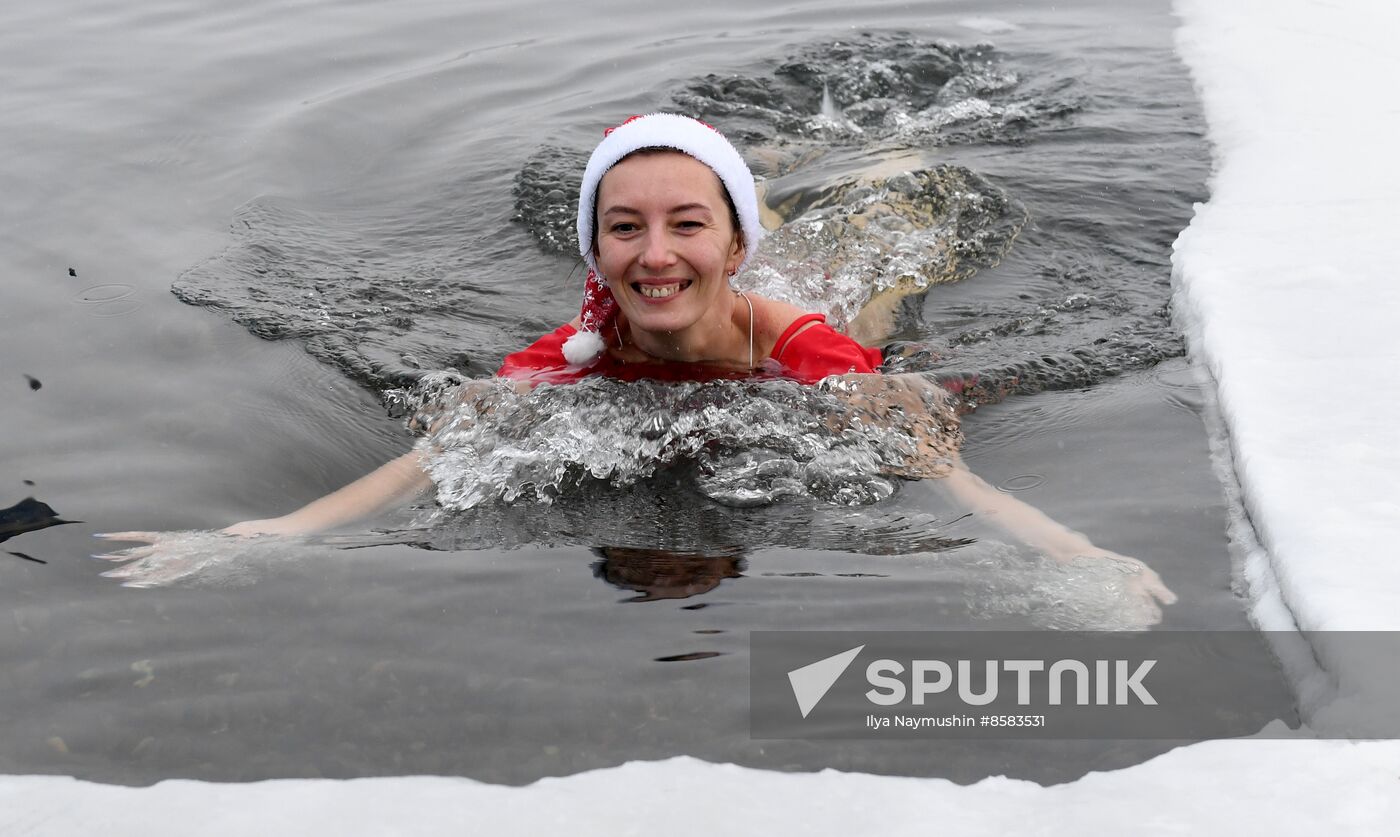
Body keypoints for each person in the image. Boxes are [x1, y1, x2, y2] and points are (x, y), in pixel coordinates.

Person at [97, 113, 1174, 616]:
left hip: (816, 301)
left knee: (883, 267)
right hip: (735, 284)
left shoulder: (806, 352)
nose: (652, 254)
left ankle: (883, 157)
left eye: (686, 225)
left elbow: (949, 477)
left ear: (730, 243)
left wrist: (1072, 556)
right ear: (594, 249)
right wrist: (262, 539)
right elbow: (424, 464)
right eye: (624, 229)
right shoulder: (557, 361)